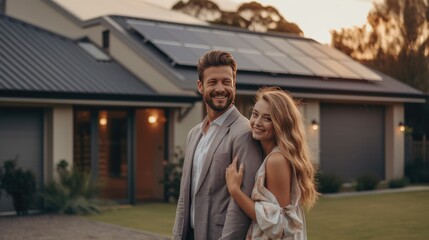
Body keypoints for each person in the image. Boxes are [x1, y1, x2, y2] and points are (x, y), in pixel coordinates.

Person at [172, 50, 263, 240]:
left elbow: (241, 205)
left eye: (226, 82)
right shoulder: (193, 134)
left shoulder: (244, 133)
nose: (220, 88)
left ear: (234, 85)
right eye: (213, 82)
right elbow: (184, 195)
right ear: (200, 86)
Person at [225, 87, 318, 239]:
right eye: (255, 114)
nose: (257, 122)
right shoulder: (267, 154)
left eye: (267, 118)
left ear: (281, 124)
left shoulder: (276, 160)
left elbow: (278, 224)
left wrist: (235, 190)